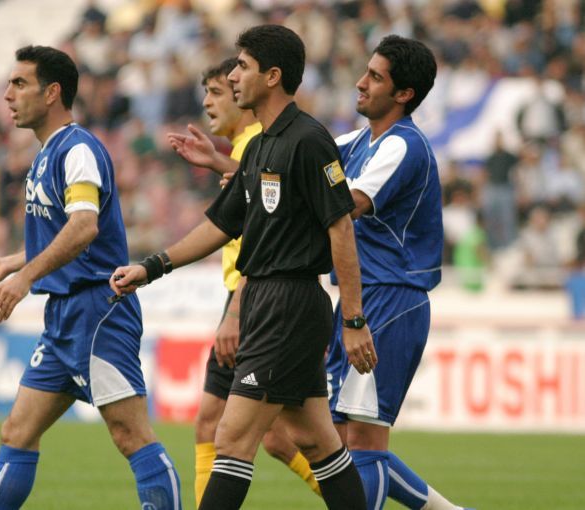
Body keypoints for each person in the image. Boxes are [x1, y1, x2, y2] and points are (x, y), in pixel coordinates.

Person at [113, 24, 374, 510]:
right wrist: (151, 267)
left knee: (231, 438)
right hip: (267, 304)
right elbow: (220, 224)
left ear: (272, 76)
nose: (233, 76)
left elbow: (341, 229)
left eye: (242, 67)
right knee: (316, 441)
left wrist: (354, 320)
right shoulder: (256, 147)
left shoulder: (309, 140)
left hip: (288, 304)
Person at [0, 45, 182, 510]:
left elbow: (84, 228)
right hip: (64, 315)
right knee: (16, 432)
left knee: (131, 435)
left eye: (20, 83)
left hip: (97, 311)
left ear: (52, 92)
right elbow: (66, 233)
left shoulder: (78, 149)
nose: (8, 95)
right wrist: (14, 262)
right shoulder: (49, 153)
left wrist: (24, 279)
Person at [325, 35, 471, 510]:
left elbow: (348, 204)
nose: (360, 83)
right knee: (340, 439)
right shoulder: (359, 142)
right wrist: (229, 164)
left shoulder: (403, 146)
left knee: (364, 440)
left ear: (404, 93)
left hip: (390, 298)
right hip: (361, 294)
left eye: (375, 77)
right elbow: (299, 159)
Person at [168, 57, 320, 506]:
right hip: (259, 294)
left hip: (255, 294)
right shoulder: (246, 147)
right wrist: (219, 162)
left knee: (220, 427)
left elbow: (264, 222)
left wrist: (235, 311)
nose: (210, 101)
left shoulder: (259, 140)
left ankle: (372, 494)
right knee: (284, 438)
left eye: (218, 91)